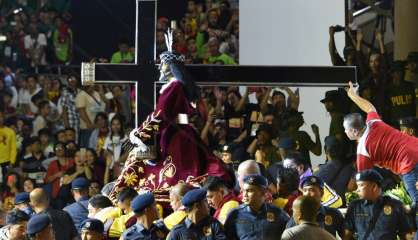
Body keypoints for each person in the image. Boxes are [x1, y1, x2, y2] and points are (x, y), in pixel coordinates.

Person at [110, 29, 231, 201]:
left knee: (173, 170)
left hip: (172, 133)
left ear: (170, 67)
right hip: (181, 130)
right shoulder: (177, 86)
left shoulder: (173, 87)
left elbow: (161, 114)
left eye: (162, 65)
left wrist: (140, 133)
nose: (160, 68)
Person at [345, 81, 418, 209]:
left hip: (409, 163)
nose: (345, 131)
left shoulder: (363, 151)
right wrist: (353, 96)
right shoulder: (373, 121)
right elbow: (369, 107)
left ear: (355, 131)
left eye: (346, 129)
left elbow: (365, 183)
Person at [343, 169, 414, 240]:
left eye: (361, 185)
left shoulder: (395, 205)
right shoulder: (355, 206)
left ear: (374, 187)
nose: (357, 190)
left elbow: (405, 234)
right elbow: (347, 234)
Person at [224, 175, 289, 240]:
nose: (245, 195)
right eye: (243, 190)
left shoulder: (278, 213)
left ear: (263, 192)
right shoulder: (235, 215)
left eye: (249, 191)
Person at [0, 110, 17, 181]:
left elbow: (13, 149)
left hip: (6, 162)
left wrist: (12, 162)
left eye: (1, 117)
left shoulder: (10, 132)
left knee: (6, 183)